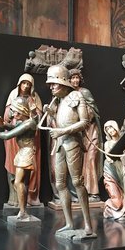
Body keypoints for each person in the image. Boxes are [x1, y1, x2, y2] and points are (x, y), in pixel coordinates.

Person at [45, 65, 96, 239]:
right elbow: (61, 121)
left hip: (72, 143)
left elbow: (84, 122)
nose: (51, 87)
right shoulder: (59, 101)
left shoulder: (77, 96)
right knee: (60, 184)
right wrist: (51, 114)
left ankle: (88, 225)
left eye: (54, 84)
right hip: (61, 144)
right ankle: (69, 223)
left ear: (62, 82)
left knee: (77, 182)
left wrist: (62, 131)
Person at [0, 97, 39, 222]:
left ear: (23, 111)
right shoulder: (24, 122)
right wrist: (3, 124)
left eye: (17, 112)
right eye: (13, 111)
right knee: (23, 183)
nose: (14, 114)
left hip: (26, 153)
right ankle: (23, 211)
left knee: (18, 182)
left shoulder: (29, 123)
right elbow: (14, 128)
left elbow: (8, 135)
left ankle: (23, 212)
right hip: (23, 152)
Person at [0, 73, 43, 207]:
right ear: (19, 84)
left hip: (29, 137)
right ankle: (15, 197)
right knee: (13, 164)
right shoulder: (13, 95)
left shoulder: (34, 98)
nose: (26, 86)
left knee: (29, 168)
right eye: (24, 83)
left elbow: (38, 119)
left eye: (28, 84)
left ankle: (29, 198)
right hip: (14, 137)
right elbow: (8, 116)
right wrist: (4, 123)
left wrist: (33, 113)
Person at [69, 68, 102, 202]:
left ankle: (93, 192)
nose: (75, 80)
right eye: (72, 78)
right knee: (77, 163)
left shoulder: (85, 92)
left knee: (91, 160)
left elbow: (94, 111)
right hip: (77, 133)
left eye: (77, 77)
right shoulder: (67, 95)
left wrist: (86, 115)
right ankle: (80, 193)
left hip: (90, 131)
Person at [102, 120, 125, 221]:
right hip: (111, 170)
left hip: (121, 167)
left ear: (115, 127)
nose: (110, 131)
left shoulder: (124, 141)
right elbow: (109, 157)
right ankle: (112, 209)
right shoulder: (107, 143)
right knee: (117, 200)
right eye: (107, 130)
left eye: (111, 127)